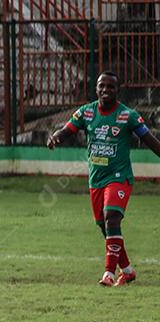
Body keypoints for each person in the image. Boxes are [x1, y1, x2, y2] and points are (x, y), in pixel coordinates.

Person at [47, 72, 160, 286]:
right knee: (105, 226)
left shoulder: (128, 116)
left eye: (110, 87)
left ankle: (108, 273)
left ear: (118, 91)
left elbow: (150, 141)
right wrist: (55, 138)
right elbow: (67, 130)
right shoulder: (86, 113)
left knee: (112, 217)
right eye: (102, 86)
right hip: (96, 178)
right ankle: (127, 271)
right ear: (96, 89)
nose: (105, 90)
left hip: (119, 177)